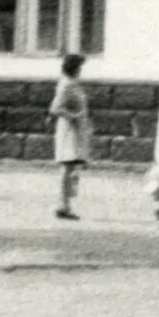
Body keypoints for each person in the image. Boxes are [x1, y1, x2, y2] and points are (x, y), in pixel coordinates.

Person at [50, 52, 93, 220]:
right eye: (80, 67)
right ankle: (63, 205)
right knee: (67, 168)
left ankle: (65, 204)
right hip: (69, 131)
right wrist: (73, 116)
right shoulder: (66, 85)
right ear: (74, 68)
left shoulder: (73, 84)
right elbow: (55, 109)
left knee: (72, 168)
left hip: (76, 130)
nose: (81, 70)